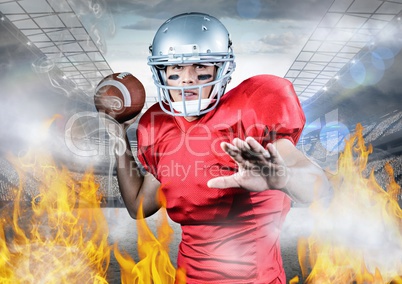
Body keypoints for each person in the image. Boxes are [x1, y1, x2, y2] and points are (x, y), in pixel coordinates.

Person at [114, 12, 331, 284]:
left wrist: (283, 178)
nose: (187, 79)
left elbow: (320, 187)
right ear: (162, 73)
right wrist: (118, 139)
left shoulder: (253, 108)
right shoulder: (159, 127)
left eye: (200, 67)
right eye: (175, 69)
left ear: (222, 69)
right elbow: (138, 206)